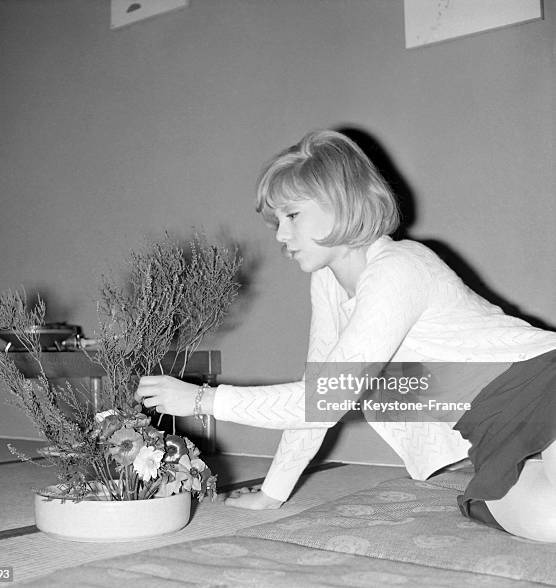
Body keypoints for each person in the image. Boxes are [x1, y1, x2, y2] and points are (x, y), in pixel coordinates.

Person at [135, 130, 556, 541]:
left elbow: (329, 395)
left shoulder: (398, 267)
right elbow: (318, 392)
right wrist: (272, 491)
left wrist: (203, 400)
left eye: (293, 215)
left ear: (341, 203)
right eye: (277, 221)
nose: (281, 235)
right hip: (492, 428)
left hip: (544, 384)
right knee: (547, 522)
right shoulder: (328, 281)